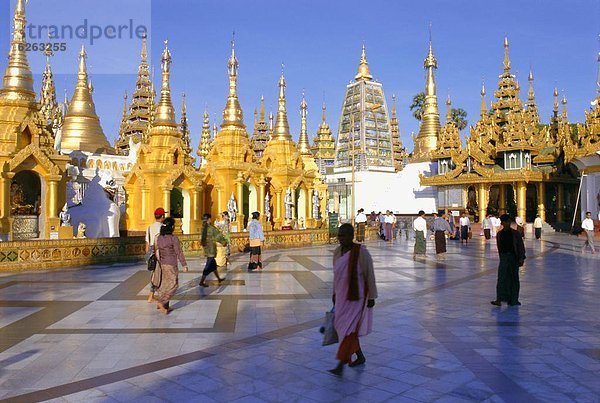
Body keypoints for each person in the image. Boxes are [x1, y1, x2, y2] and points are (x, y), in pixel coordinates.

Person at [328, 223, 377, 376]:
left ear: (352, 236)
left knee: (349, 329)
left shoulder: (361, 253)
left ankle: (341, 364)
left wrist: (372, 296)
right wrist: (334, 294)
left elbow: (369, 274)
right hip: (342, 296)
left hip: (357, 296)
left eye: (344, 236)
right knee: (343, 327)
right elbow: (337, 276)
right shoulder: (337, 252)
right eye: (339, 236)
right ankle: (360, 356)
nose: (341, 239)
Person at [152, 217, 188, 314]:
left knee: (165, 284)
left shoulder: (159, 238)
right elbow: (178, 252)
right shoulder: (173, 238)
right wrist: (184, 265)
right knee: (173, 285)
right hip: (171, 264)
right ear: (171, 227)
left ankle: (165, 306)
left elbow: (156, 250)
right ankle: (161, 302)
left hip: (162, 264)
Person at [491, 214, 526, 307]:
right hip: (504, 258)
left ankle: (514, 299)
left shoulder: (515, 234)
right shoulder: (500, 234)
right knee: (502, 278)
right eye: (504, 222)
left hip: (513, 258)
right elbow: (499, 247)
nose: (506, 224)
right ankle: (499, 299)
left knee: (514, 278)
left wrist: (521, 258)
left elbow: (520, 246)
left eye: (507, 222)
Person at [199, 213, 227, 287]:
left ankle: (218, 278)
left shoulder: (203, 228)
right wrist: (224, 242)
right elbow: (218, 236)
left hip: (207, 249)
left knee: (213, 265)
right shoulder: (211, 228)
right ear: (208, 219)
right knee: (208, 266)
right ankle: (201, 281)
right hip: (211, 249)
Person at [146, 207, 165, 303]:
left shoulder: (149, 227)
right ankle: (153, 296)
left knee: (154, 274)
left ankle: (152, 295)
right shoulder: (163, 227)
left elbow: (147, 243)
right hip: (160, 251)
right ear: (162, 216)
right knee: (159, 274)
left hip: (151, 251)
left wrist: (148, 256)